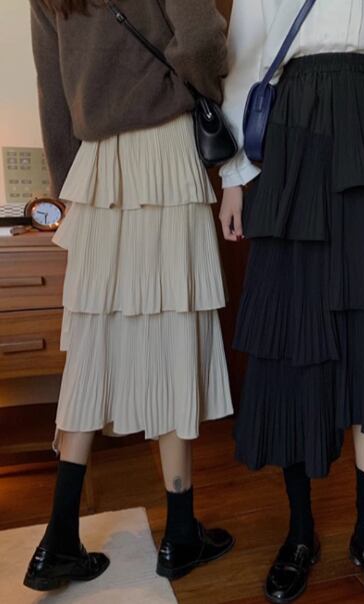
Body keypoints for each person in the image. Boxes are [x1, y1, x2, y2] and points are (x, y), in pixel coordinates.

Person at [219, 1, 364, 602]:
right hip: (295, 131)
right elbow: (244, 63)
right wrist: (235, 179)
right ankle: (301, 533)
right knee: (294, 340)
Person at [24, 0, 234, 592]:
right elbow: (201, 40)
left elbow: (52, 90)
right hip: (164, 153)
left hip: (95, 166)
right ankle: (180, 532)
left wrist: (70, 185)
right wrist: (193, 91)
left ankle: (58, 538)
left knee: (91, 350)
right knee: (173, 335)